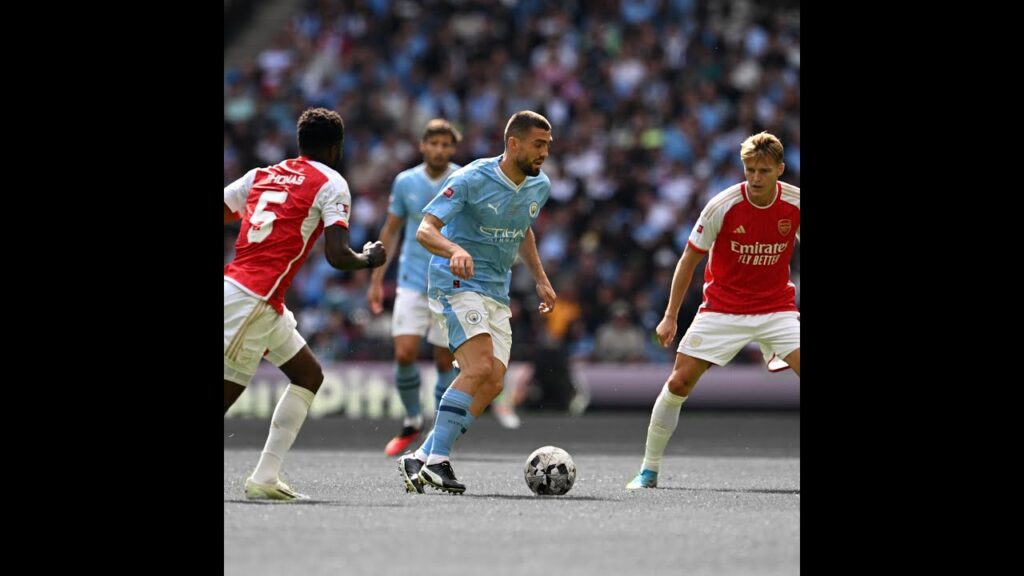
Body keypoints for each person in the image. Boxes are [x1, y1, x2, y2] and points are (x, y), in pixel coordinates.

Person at [223, 108, 387, 500]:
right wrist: (369, 258)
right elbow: (337, 254)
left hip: (257, 297)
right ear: (336, 148)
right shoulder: (331, 182)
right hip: (253, 299)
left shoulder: (260, 174)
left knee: (308, 376)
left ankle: (265, 477)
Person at [626, 131, 800, 490]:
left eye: (764, 171)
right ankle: (649, 470)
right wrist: (671, 315)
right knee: (678, 382)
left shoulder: (795, 204)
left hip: (776, 308)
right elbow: (689, 259)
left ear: (780, 170)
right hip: (722, 309)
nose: (755, 178)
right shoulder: (723, 205)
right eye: (749, 169)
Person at [397, 110, 557, 494]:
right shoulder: (471, 178)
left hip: (496, 290)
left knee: (494, 379)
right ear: (513, 143)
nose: (545, 153)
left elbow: (523, 230)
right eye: (538, 145)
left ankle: (422, 456)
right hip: (455, 281)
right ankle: (438, 462)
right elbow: (425, 229)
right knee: (479, 365)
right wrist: (454, 249)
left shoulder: (540, 186)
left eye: (548, 146)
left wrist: (540, 278)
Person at [367, 119, 462, 456]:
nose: (439, 150)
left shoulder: (463, 178)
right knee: (404, 352)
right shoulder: (405, 181)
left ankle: (437, 432)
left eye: (445, 145)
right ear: (422, 146)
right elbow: (391, 231)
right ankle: (411, 421)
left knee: (442, 361)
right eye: (433, 143)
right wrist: (377, 278)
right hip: (410, 279)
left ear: (453, 148)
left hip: (449, 283)